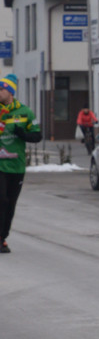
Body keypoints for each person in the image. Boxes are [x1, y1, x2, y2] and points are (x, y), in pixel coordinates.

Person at [0, 74, 42, 254]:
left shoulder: (25, 112)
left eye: (1, 89)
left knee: (10, 204)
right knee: (1, 201)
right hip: (0, 165)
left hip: (16, 166)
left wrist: (22, 134)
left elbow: (37, 136)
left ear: (10, 92)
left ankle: (3, 237)